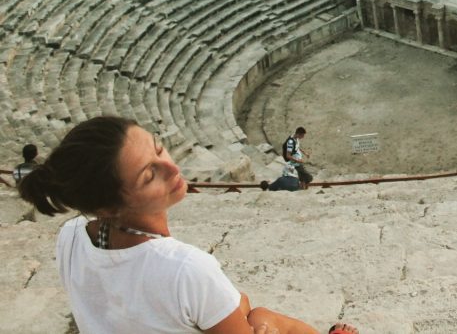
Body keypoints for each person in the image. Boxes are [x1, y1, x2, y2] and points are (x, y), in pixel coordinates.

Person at [18, 116, 357, 334]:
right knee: (264, 318)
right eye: (150, 174)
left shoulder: (71, 237)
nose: (173, 169)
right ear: (109, 206)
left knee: (247, 308)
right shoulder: (185, 268)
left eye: (159, 149)